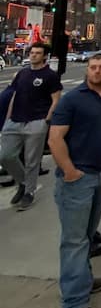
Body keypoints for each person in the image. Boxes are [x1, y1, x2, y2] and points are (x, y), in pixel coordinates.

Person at [48, 53, 101, 308]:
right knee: (75, 240)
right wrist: (69, 171)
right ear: (87, 70)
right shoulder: (72, 99)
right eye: (92, 67)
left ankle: (85, 281)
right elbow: (55, 138)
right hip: (78, 178)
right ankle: (75, 304)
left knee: (88, 235)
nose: (96, 71)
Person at [0, 41, 62, 211]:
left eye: (37, 53)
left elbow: (56, 98)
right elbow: (14, 96)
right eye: (32, 52)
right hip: (15, 121)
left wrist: (47, 120)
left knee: (31, 161)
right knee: (5, 156)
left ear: (44, 56)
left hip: (36, 121)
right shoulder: (22, 73)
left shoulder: (50, 75)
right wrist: (8, 118)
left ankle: (29, 193)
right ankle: (23, 182)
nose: (33, 55)